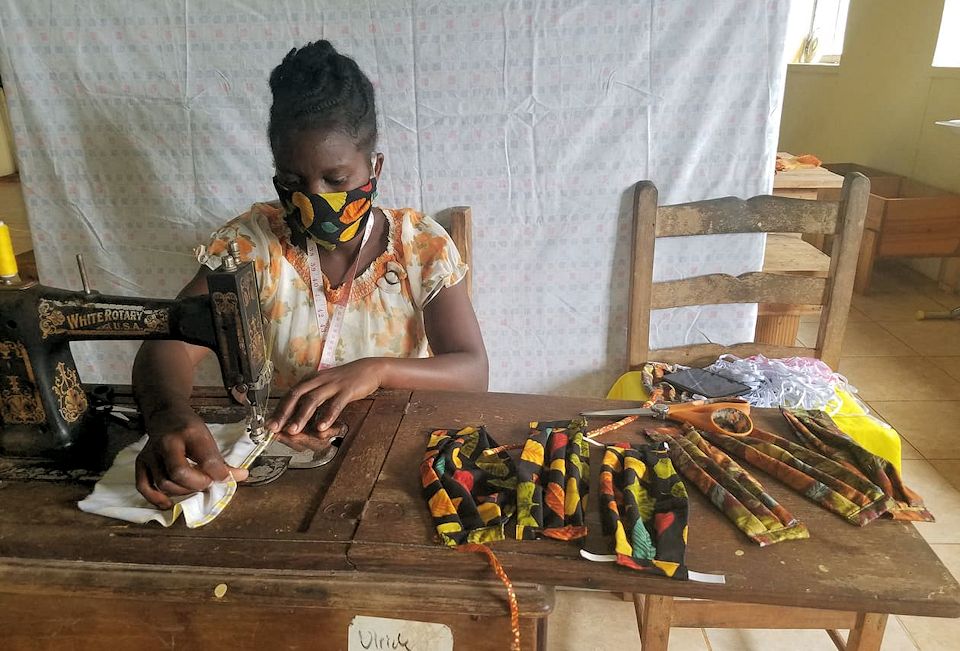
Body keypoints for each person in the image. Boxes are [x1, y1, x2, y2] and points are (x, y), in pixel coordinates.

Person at [132, 40, 488, 509]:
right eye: (293, 182)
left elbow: (472, 370)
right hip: (287, 461)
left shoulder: (419, 247)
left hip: (394, 467)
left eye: (336, 180)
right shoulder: (250, 247)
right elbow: (168, 344)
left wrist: (377, 370)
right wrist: (169, 414)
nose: (313, 198)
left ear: (374, 167)